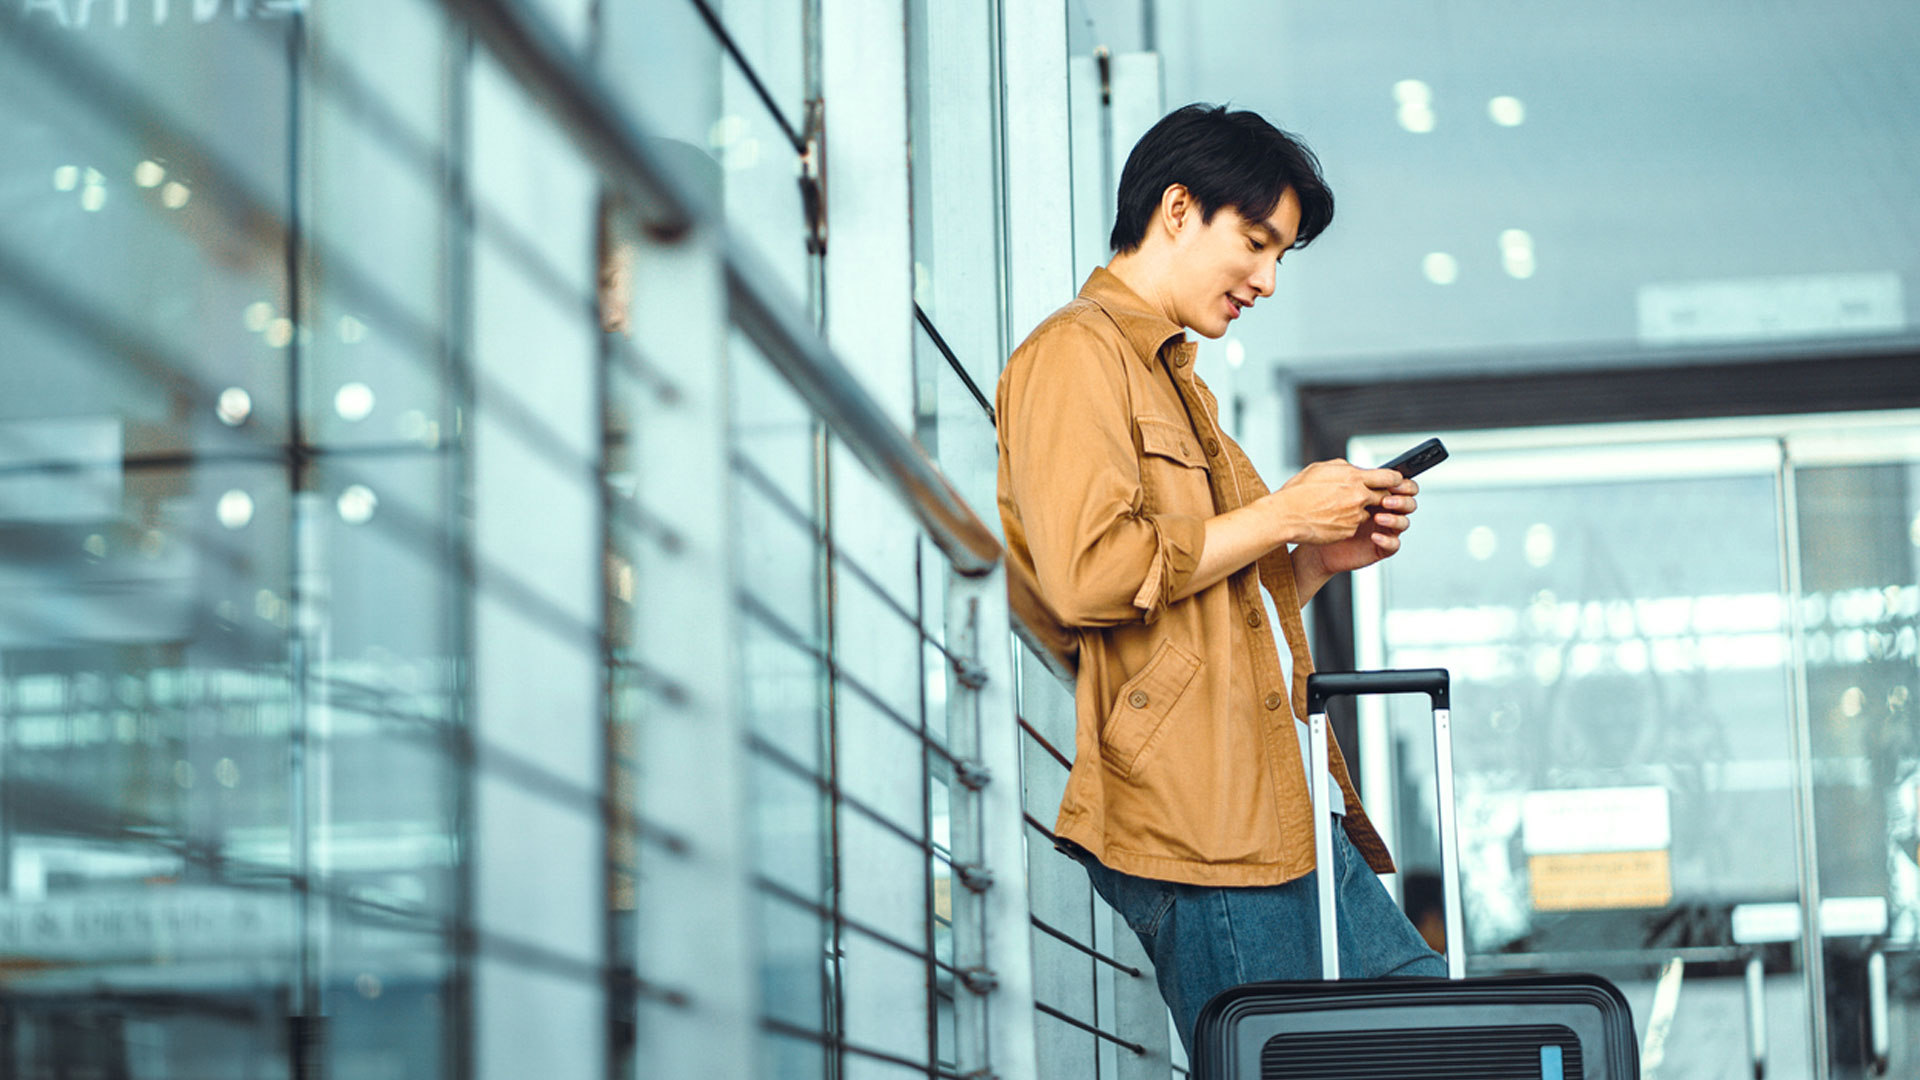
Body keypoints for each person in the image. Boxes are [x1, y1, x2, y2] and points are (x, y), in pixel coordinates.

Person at [993, 103, 1444, 1054]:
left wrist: (1314, 558)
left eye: (1281, 255)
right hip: (1205, 825)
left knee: (1437, 1033)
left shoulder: (1175, 381)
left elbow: (1207, 606)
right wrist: (1283, 513)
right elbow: (1089, 576)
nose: (1268, 280)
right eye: (1255, 242)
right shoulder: (1075, 356)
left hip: (1279, 809)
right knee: (1316, 1055)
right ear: (1177, 207)